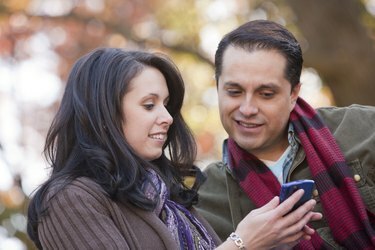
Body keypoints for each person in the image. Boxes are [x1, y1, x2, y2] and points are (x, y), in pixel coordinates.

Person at [26, 47, 322, 250]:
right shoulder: (68, 200)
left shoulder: (168, 202)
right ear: (104, 115)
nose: (167, 118)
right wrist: (241, 243)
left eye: (166, 105)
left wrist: (273, 239)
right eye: (149, 105)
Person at [195, 19, 375, 249]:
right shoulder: (205, 197)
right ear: (217, 87)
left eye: (266, 93)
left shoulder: (363, 129)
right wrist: (242, 244)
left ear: (293, 94)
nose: (247, 109)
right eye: (234, 92)